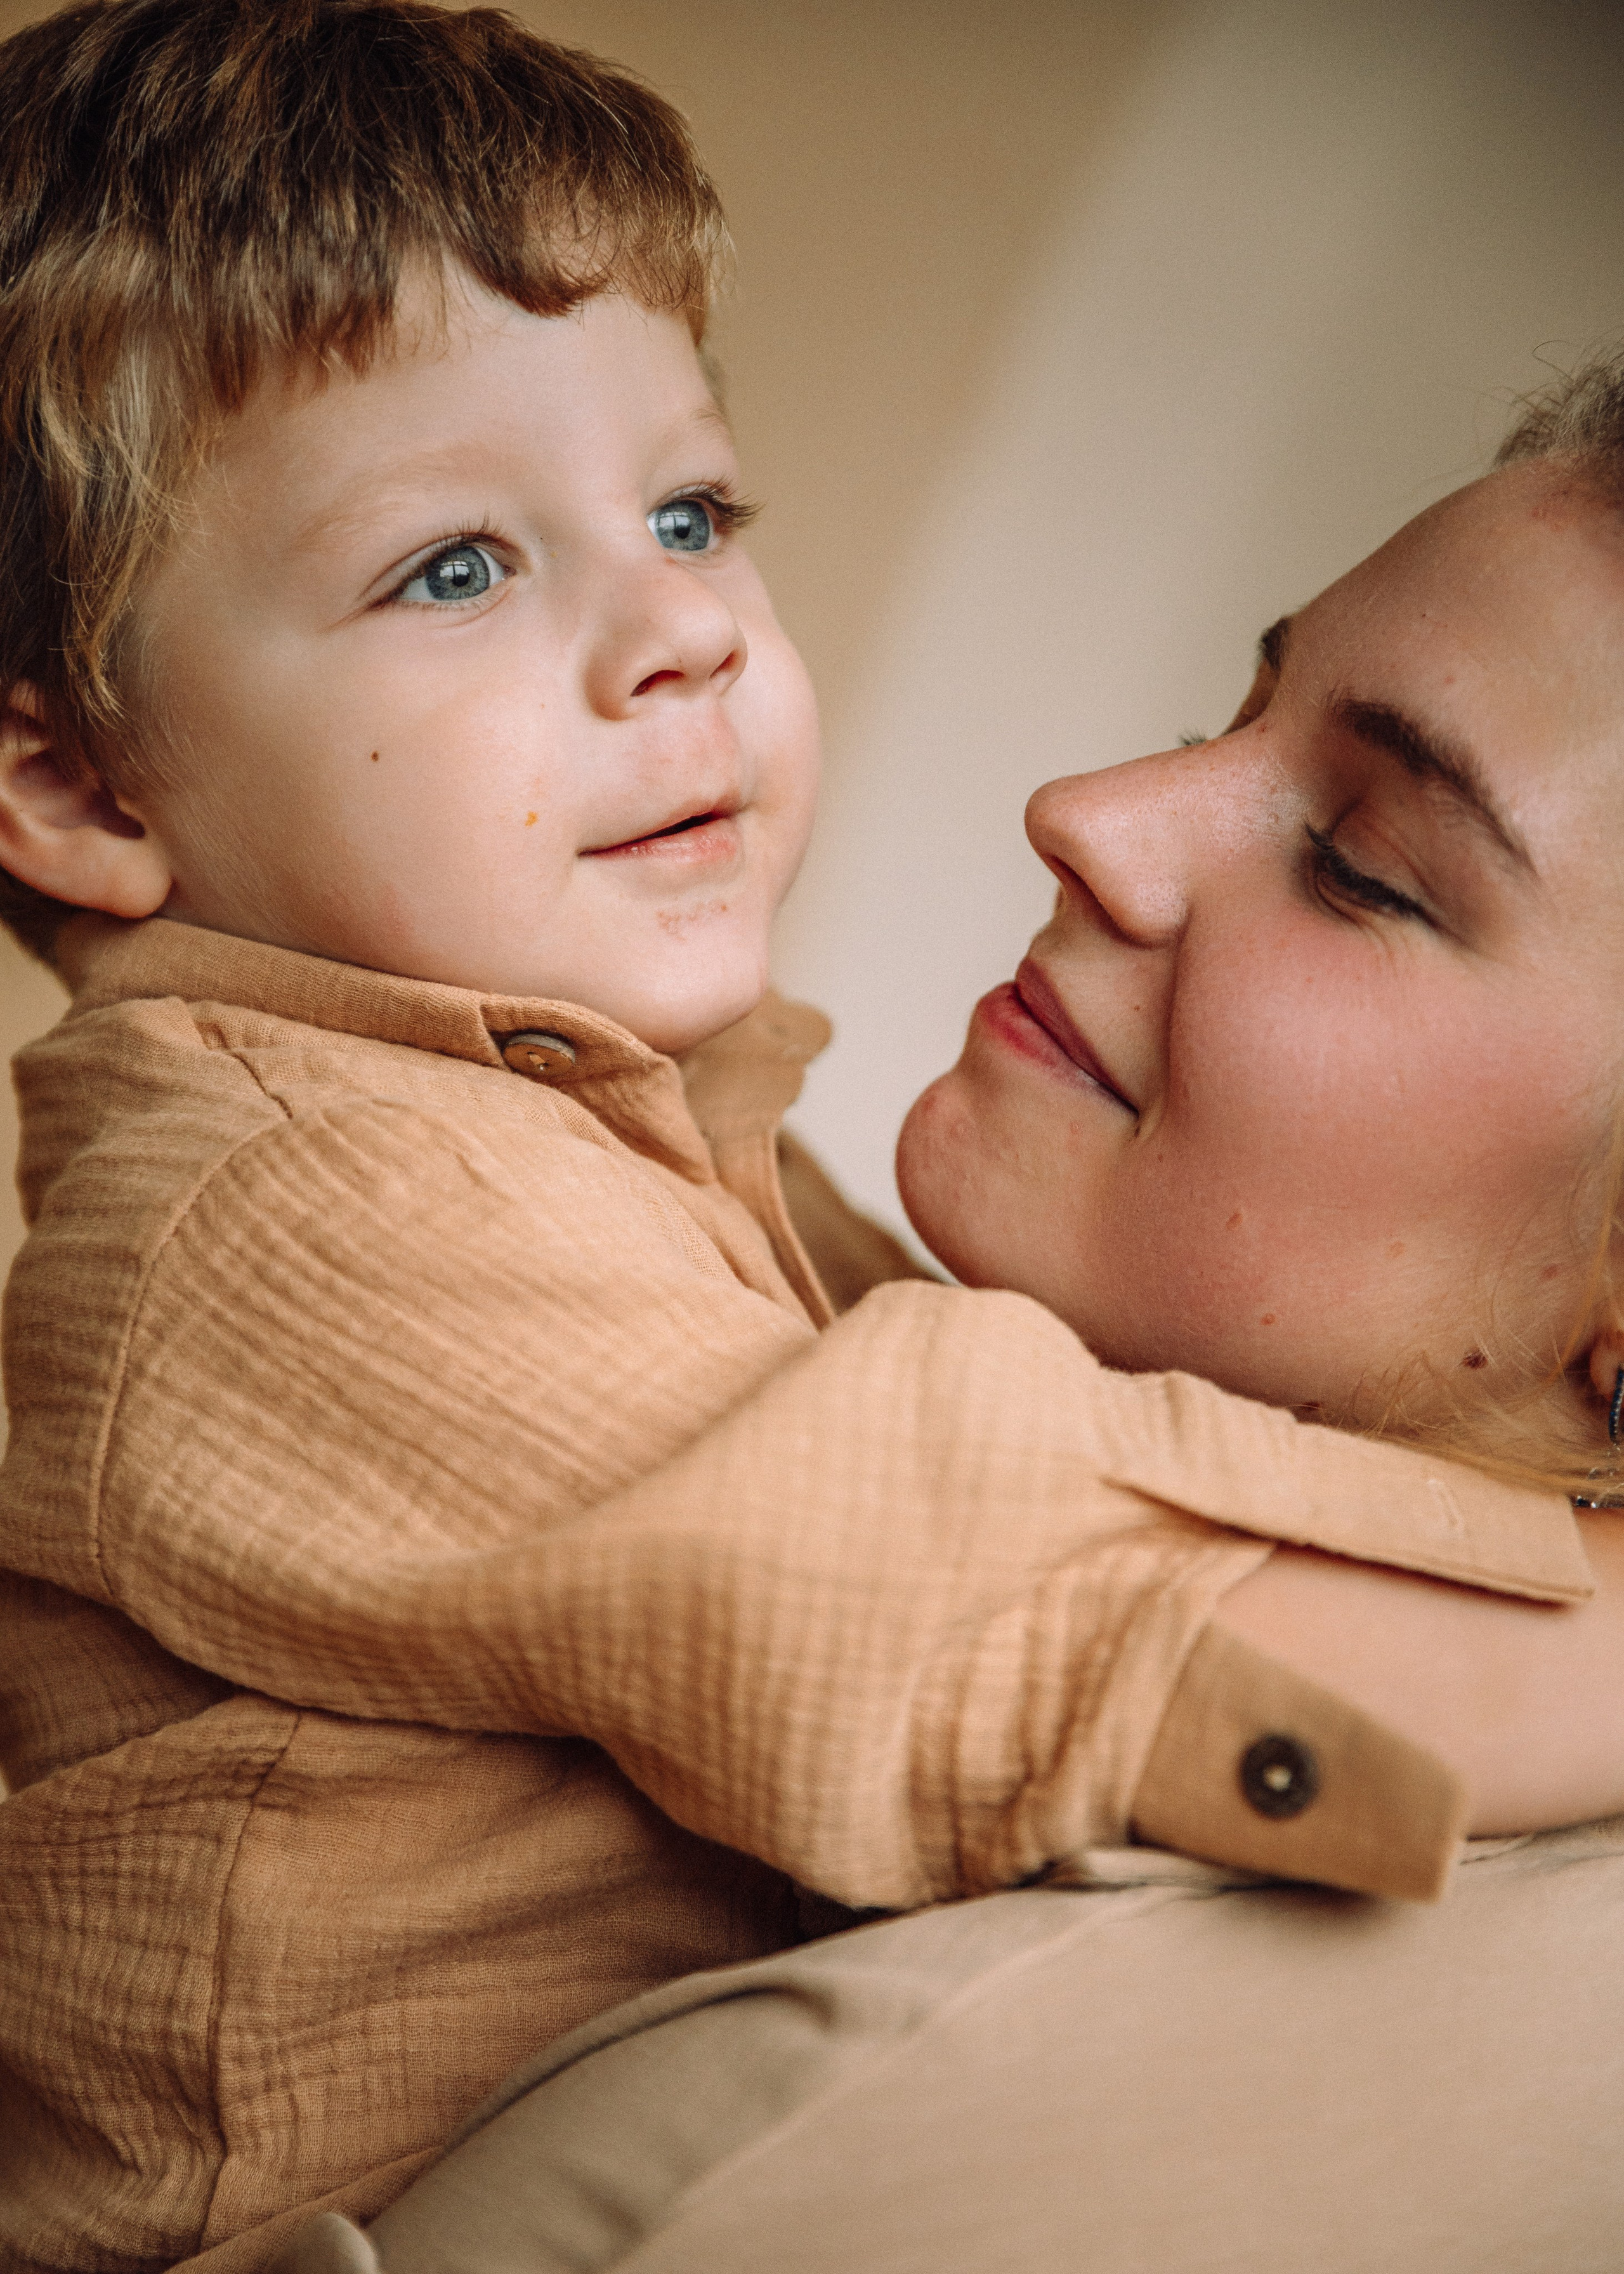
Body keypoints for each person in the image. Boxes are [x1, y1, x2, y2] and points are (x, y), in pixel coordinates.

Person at [0, 4, 1618, 2268]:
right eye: (456, 566)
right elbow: (937, 1562)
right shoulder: (296, 1206)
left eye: (689, 514)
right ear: (81, 783)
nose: (681, 629)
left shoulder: (615, 1167)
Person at [275, 357, 1624, 2274]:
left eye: (1360, 866)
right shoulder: (518, 1206)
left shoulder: (942, 2088)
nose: (1087, 812)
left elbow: (893, 1564)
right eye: (1226, 714)